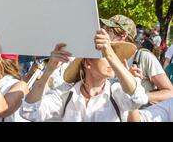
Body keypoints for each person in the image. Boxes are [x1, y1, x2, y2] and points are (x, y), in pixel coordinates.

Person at [20, 29, 148, 122]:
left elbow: (139, 98)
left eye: (113, 56)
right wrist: (48, 70)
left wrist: (110, 54)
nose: (111, 59)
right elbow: (29, 112)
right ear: (87, 63)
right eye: (105, 55)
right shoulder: (66, 93)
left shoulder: (116, 92)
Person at [100, 15, 173, 104]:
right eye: (104, 28)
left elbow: (170, 92)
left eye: (109, 30)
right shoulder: (104, 59)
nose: (103, 31)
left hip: (138, 115)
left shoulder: (143, 57)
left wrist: (140, 96)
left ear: (123, 35)